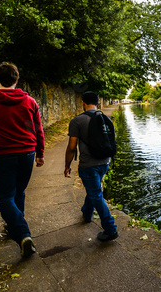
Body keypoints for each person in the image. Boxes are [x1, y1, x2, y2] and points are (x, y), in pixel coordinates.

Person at [0, 62, 45, 258]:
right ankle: (13, 226)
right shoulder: (30, 101)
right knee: (18, 192)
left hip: (3, 155)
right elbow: (38, 130)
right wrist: (40, 153)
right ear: (17, 79)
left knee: (4, 197)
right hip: (27, 153)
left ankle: (22, 233)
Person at [64, 91, 118, 241]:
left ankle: (110, 229)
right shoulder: (106, 118)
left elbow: (71, 147)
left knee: (95, 193)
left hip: (88, 165)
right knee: (93, 190)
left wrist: (67, 165)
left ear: (83, 103)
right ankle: (87, 214)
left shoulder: (77, 121)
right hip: (105, 162)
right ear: (98, 103)